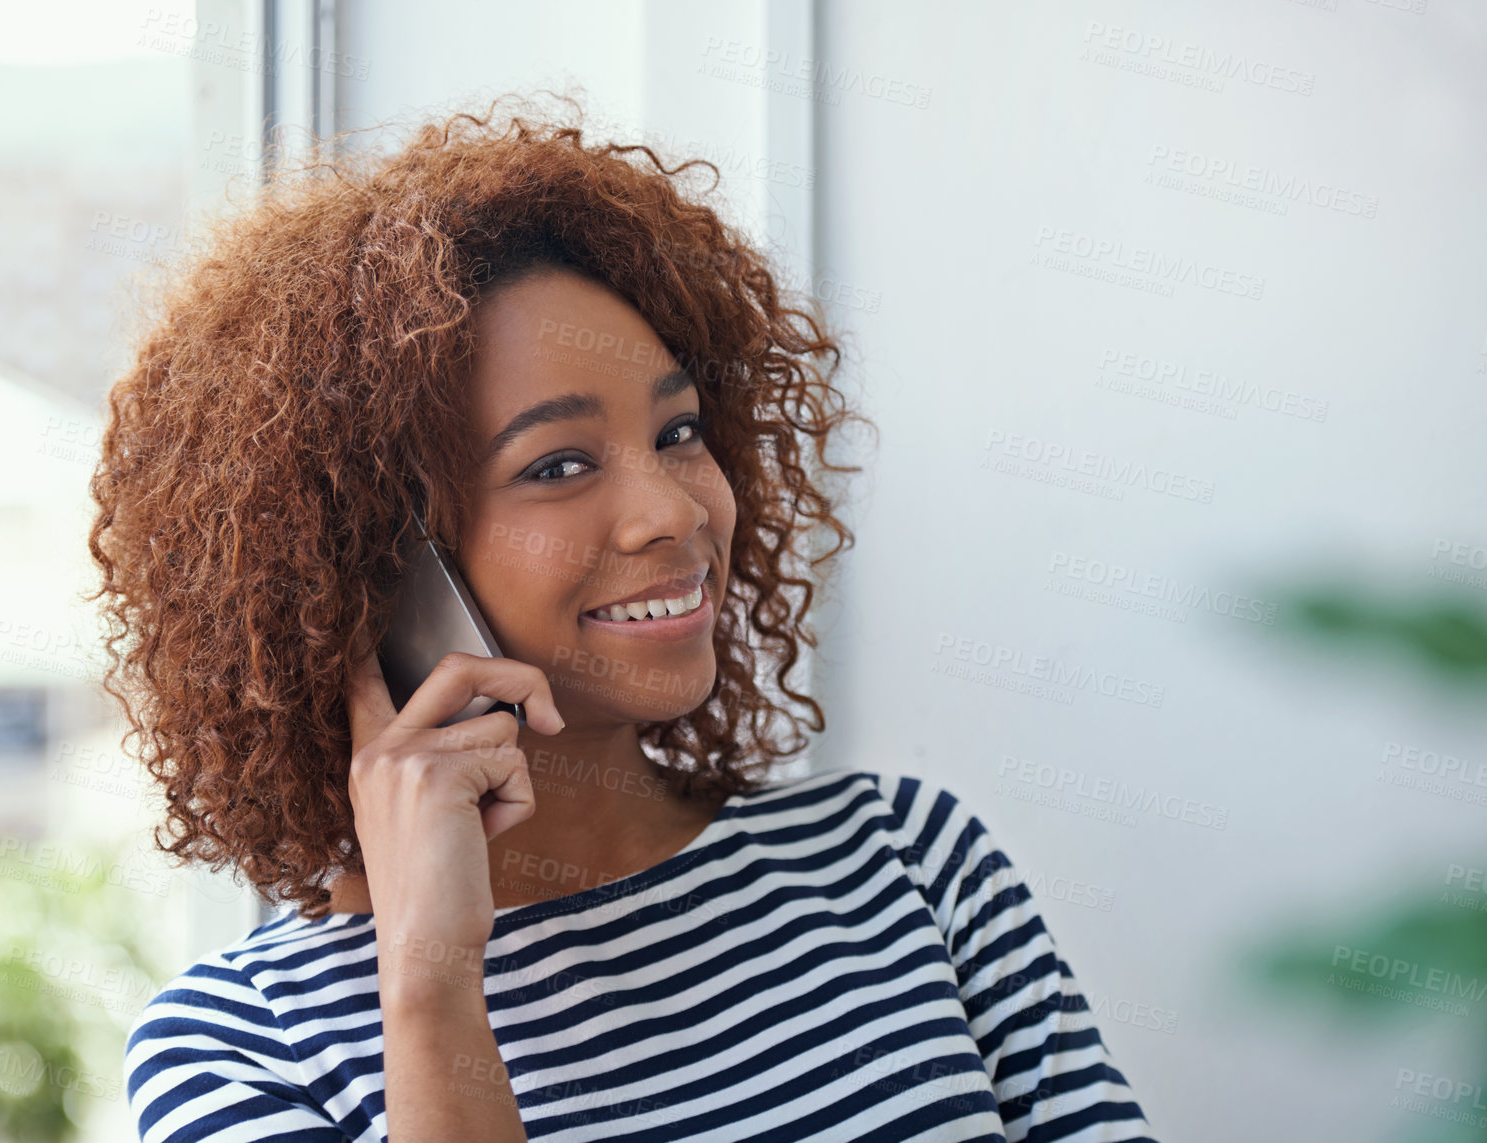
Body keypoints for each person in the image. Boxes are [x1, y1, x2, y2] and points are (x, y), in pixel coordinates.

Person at [89, 94, 1158, 1142]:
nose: (671, 510)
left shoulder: (906, 866)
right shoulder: (239, 1048)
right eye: (556, 465)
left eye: (679, 432)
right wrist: (427, 984)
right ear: (371, 566)